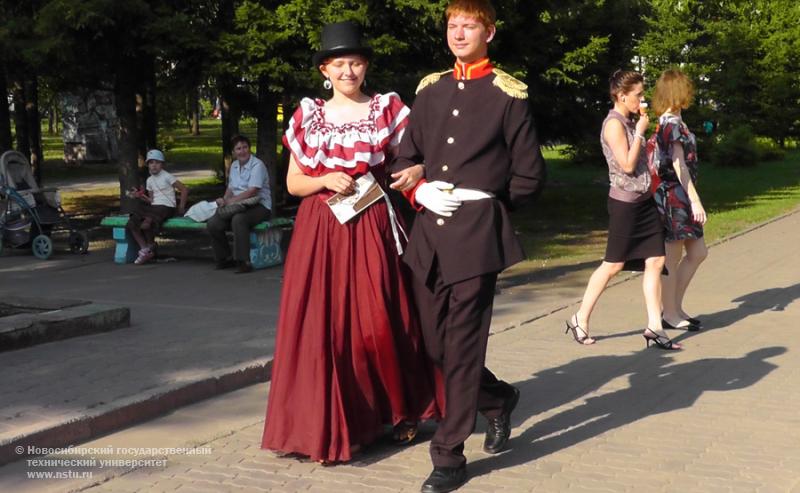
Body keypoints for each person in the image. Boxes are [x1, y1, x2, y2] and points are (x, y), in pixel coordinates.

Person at [261, 21, 442, 465]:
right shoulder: (308, 115)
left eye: (356, 62)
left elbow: (417, 158)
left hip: (373, 224)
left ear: (365, 67)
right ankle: (336, 426)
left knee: (379, 318)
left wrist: (417, 171)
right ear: (325, 68)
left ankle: (396, 410)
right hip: (321, 232)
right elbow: (293, 183)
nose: (348, 70)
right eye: (340, 63)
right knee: (326, 328)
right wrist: (323, 177)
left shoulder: (387, 109)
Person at [391, 1, 546, 491]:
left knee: (461, 346)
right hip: (429, 232)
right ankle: (497, 400)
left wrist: (488, 203)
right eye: (452, 25)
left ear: (489, 32)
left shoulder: (507, 95)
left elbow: (529, 176)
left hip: (476, 236)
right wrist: (418, 187)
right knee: (437, 345)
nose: (458, 33)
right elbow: (406, 156)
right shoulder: (430, 91)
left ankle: (449, 456)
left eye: (469, 25)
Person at [565, 70, 678, 350]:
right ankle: (579, 318)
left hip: (644, 201)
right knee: (613, 265)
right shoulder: (614, 125)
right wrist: (639, 133)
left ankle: (655, 327)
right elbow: (627, 165)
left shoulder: (629, 120)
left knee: (655, 262)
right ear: (621, 95)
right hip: (625, 205)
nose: (642, 99)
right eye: (638, 95)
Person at [653, 69, 708, 331]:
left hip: (681, 194)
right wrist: (695, 200)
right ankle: (670, 313)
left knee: (698, 252)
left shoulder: (675, 120)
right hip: (675, 196)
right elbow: (678, 165)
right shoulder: (671, 124)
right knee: (671, 258)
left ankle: (674, 307)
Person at [207, 134, 272, 273]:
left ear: (249, 148)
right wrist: (224, 200)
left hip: (259, 206)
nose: (242, 151)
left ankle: (243, 261)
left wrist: (231, 201)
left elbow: (252, 191)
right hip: (238, 205)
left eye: (245, 147)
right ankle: (224, 258)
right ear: (234, 152)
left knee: (239, 220)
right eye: (238, 149)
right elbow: (231, 188)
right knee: (213, 223)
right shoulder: (234, 165)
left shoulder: (257, 165)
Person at [126, 149, 188, 265]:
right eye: (151, 162)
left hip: (166, 207)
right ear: (147, 165)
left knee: (148, 222)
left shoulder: (167, 176)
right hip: (155, 207)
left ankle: (150, 246)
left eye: (157, 162)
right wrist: (139, 196)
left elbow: (184, 189)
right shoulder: (149, 180)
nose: (154, 165)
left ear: (162, 164)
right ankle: (144, 249)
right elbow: (152, 200)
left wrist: (181, 206)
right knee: (133, 221)